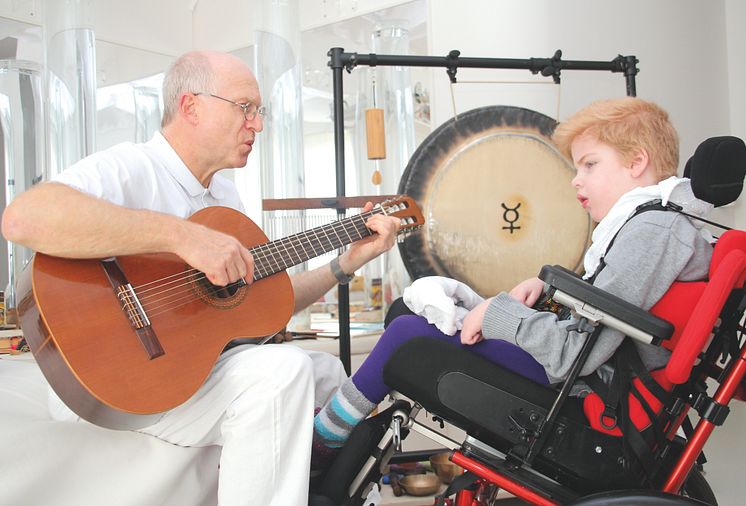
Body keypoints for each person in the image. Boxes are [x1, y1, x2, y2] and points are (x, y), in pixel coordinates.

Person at [1, 50, 401, 506]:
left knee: (326, 372)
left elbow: (259, 306)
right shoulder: (131, 166)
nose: (258, 125)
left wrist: (344, 264)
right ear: (191, 107)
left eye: (260, 111)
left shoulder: (224, 197)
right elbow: (23, 219)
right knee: (281, 371)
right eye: (245, 108)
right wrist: (181, 236)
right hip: (117, 385)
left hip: (187, 377)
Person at [311, 96, 714, 464]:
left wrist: (496, 314)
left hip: (583, 388)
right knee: (409, 310)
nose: (575, 179)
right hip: (581, 374)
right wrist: (549, 294)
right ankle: (341, 428)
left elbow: (579, 352)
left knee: (407, 334)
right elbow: (602, 317)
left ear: (637, 162)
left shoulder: (654, 231)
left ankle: (321, 442)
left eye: (589, 164)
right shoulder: (651, 223)